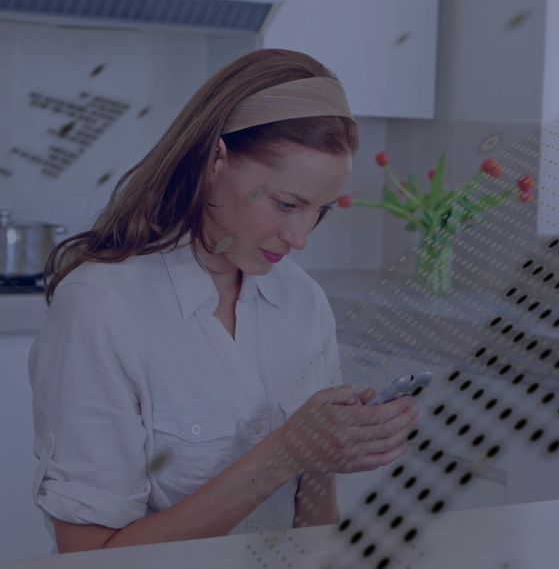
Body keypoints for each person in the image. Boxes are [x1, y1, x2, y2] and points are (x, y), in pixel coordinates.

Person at [28, 49, 420, 554]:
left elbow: (313, 528)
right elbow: (90, 556)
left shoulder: (301, 300)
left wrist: (331, 450)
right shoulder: (102, 307)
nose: (300, 237)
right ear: (215, 160)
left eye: (319, 212)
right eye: (285, 204)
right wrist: (287, 451)